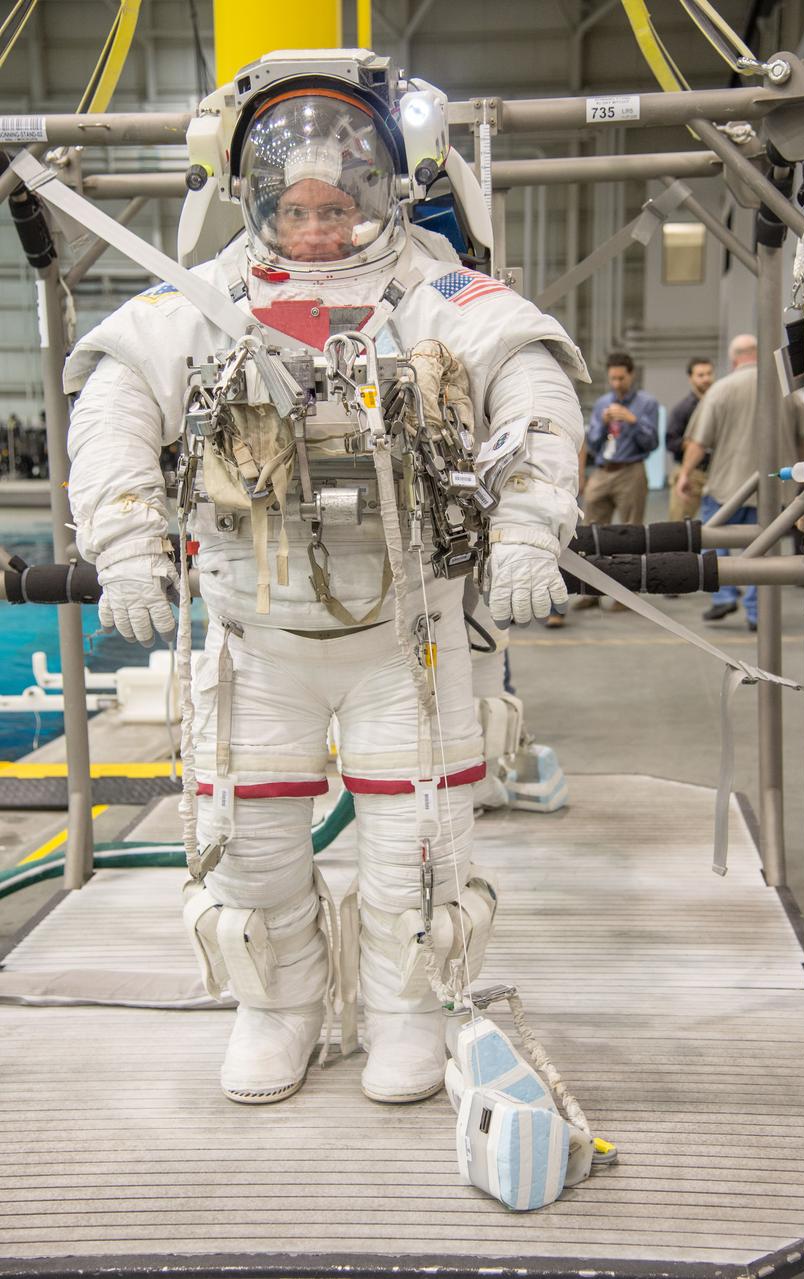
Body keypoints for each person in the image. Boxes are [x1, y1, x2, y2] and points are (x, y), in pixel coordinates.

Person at [64, 52, 586, 1108]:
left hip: (411, 640)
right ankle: (280, 1008)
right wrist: (121, 545)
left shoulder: (442, 296)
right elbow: (111, 414)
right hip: (256, 644)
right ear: (251, 195)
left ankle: (402, 1014)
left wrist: (530, 529)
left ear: (385, 190)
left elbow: (532, 391)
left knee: (417, 855)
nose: (312, 224)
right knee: (247, 853)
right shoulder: (198, 305)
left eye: (335, 201)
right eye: (290, 203)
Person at [676, 333, 804, 631]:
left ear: (734, 360)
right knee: (765, 551)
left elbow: (698, 441)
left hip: (727, 487)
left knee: (713, 540)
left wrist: (685, 475)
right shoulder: (787, 392)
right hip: (774, 490)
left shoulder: (720, 390)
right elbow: (803, 441)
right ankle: (757, 614)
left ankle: (723, 595)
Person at [573, 351, 659, 611]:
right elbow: (594, 442)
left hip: (630, 470)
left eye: (621, 378)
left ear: (631, 375)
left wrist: (632, 421)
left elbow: (652, 442)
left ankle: (626, 593)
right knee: (590, 533)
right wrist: (601, 423)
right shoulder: (602, 404)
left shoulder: (647, 403)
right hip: (602, 470)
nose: (617, 384)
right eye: (612, 379)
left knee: (630, 533)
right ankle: (591, 592)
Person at [667, 356, 714, 520]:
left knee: (716, 525)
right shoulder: (683, 409)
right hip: (692, 473)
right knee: (678, 526)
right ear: (691, 378)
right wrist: (690, 445)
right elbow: (671, 441)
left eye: (709, 374)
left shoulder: (718, 403)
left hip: (716, 473)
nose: (706, 379)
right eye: (700, 375)